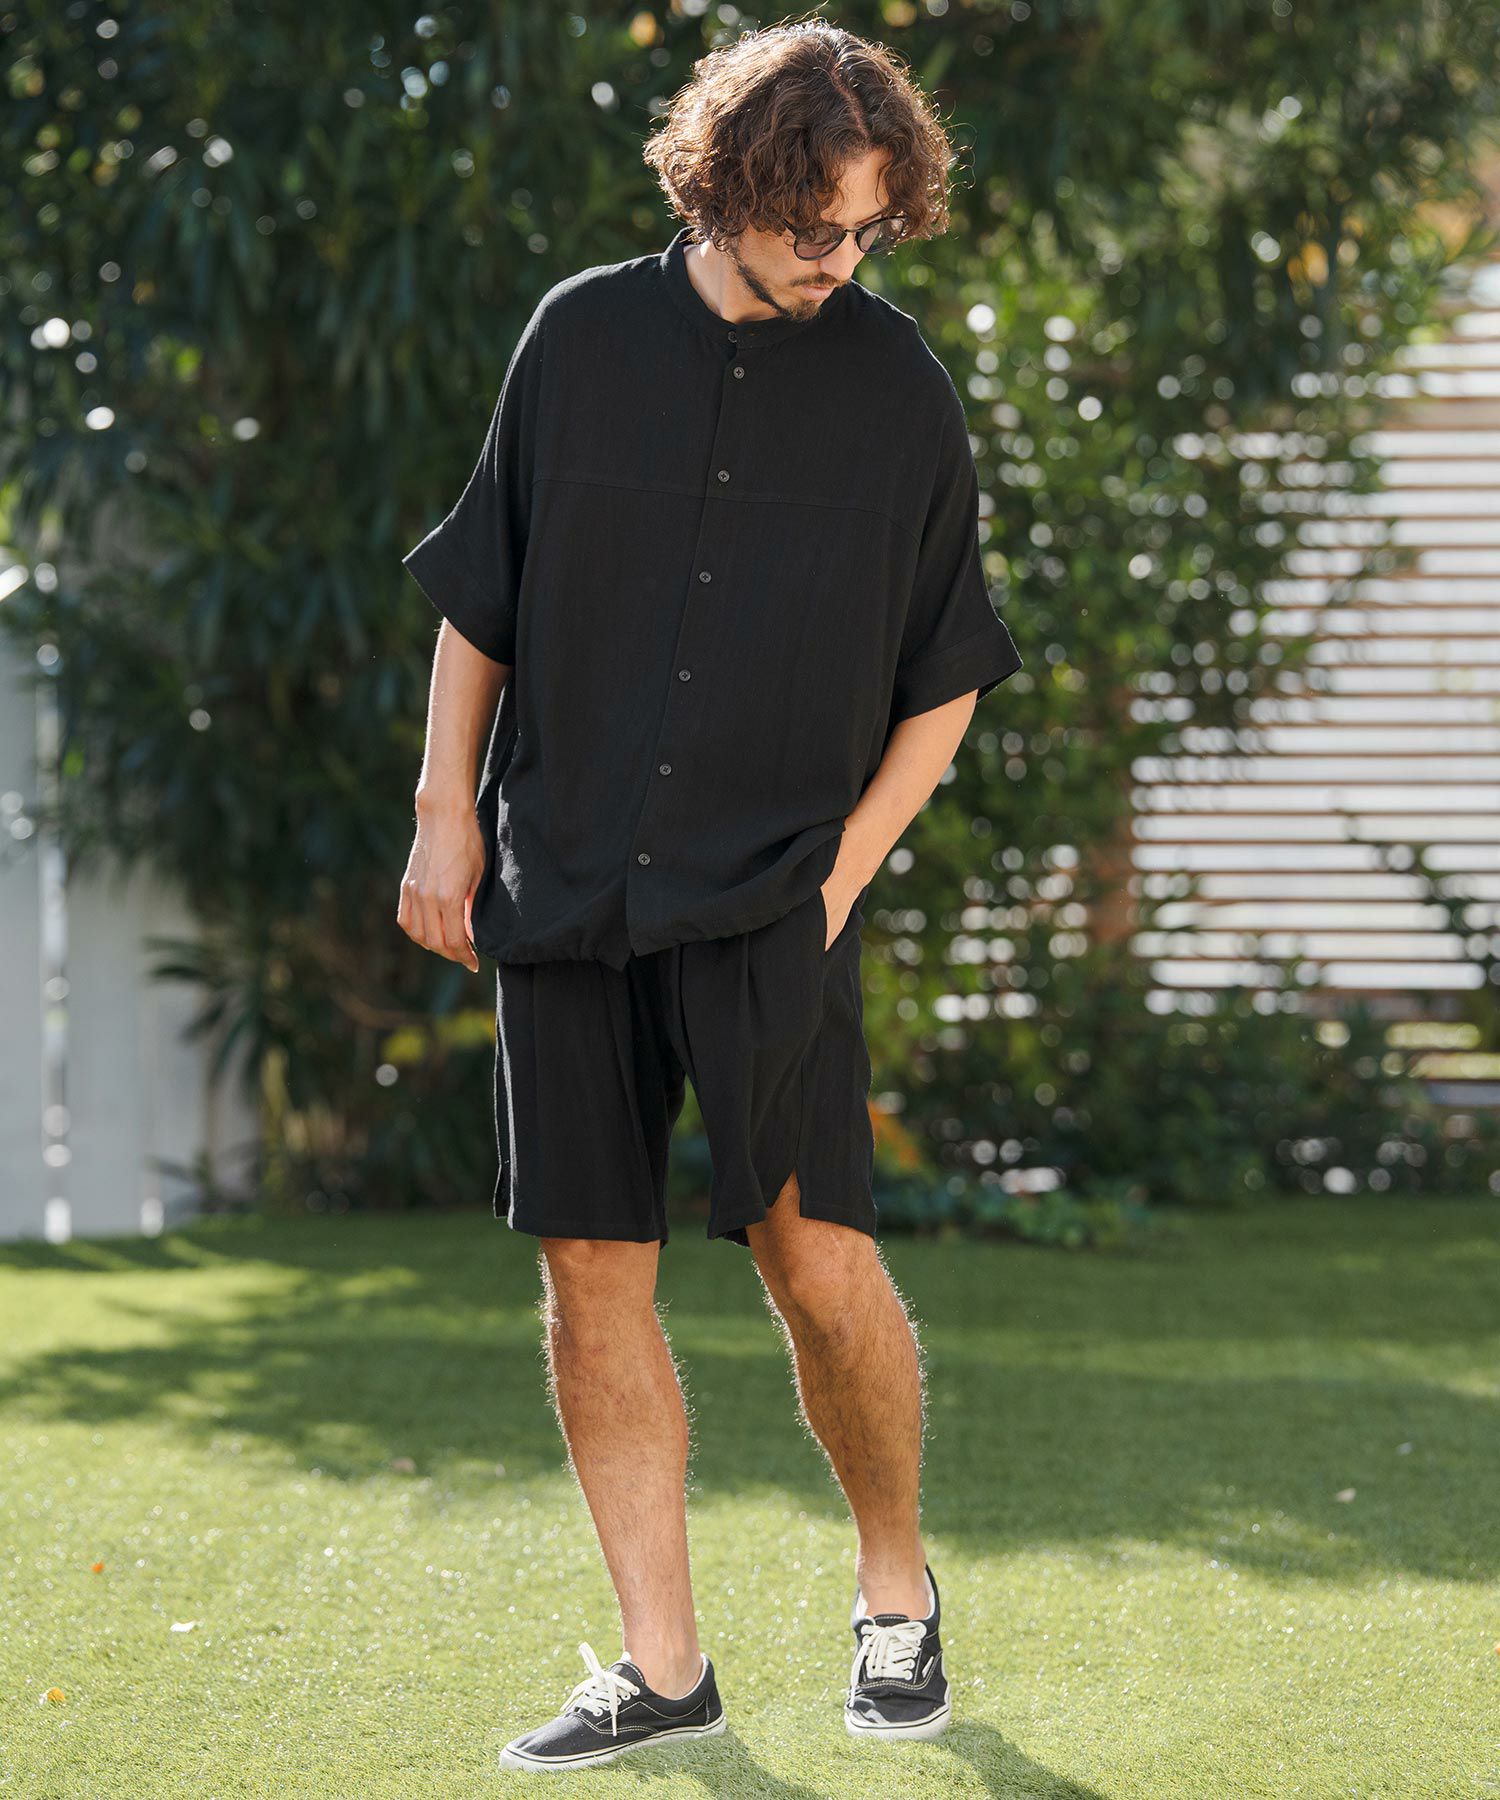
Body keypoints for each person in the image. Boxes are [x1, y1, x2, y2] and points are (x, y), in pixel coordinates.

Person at [397, 19, 1022, 1774]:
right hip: (567, 875)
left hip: (770, 899)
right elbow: (482, 602)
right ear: (728, 187)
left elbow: (948, 675)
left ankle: (893, 1597)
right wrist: (443, 814)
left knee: (817, 1261)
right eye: (817, 227)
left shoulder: (898, 388)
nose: (844, 260)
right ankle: (663, 1669)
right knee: (592, 1267)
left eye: (871, 230)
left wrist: (838, 878)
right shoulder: (580, 339)